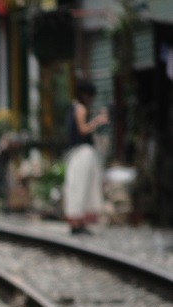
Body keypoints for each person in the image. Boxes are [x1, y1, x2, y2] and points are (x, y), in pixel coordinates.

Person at [63, 78, 108, 235]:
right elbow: (83, 130)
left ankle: (77, 222)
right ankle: (78, 222)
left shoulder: (73, 107)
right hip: (83, 153)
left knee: (78, 186)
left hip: (76, 153)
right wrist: (98, 121)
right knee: (82, 186)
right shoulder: (81, 109)